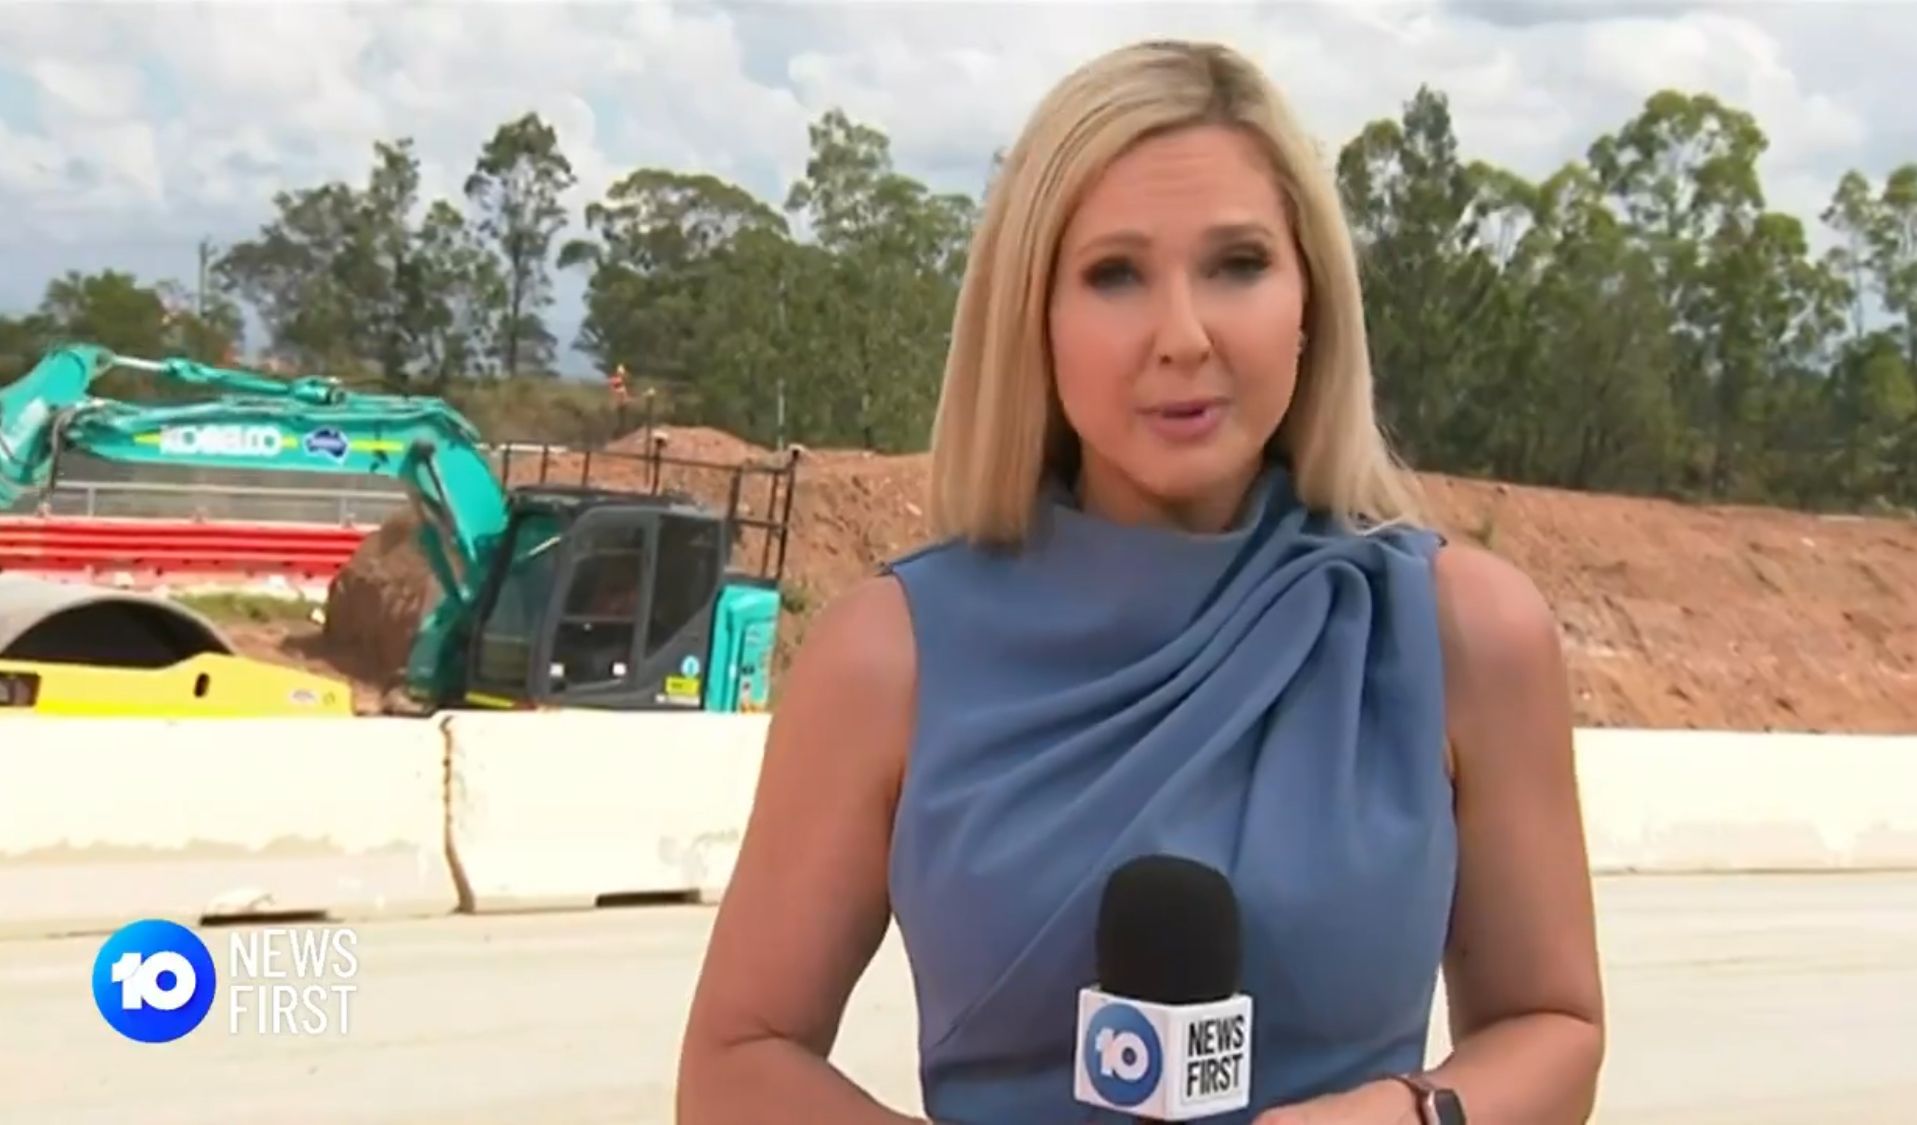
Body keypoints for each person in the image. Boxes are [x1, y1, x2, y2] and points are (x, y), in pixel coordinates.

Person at [677, 38, 1604, 1125]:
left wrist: (1403, 1119)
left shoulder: (1462, 634)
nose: (1183, 336)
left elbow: (1554, 1028)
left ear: (1310, 300)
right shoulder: (889, 656)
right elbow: (736, 1064)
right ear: (1035, 317)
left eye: (1238, 264)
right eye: (1115, 274)